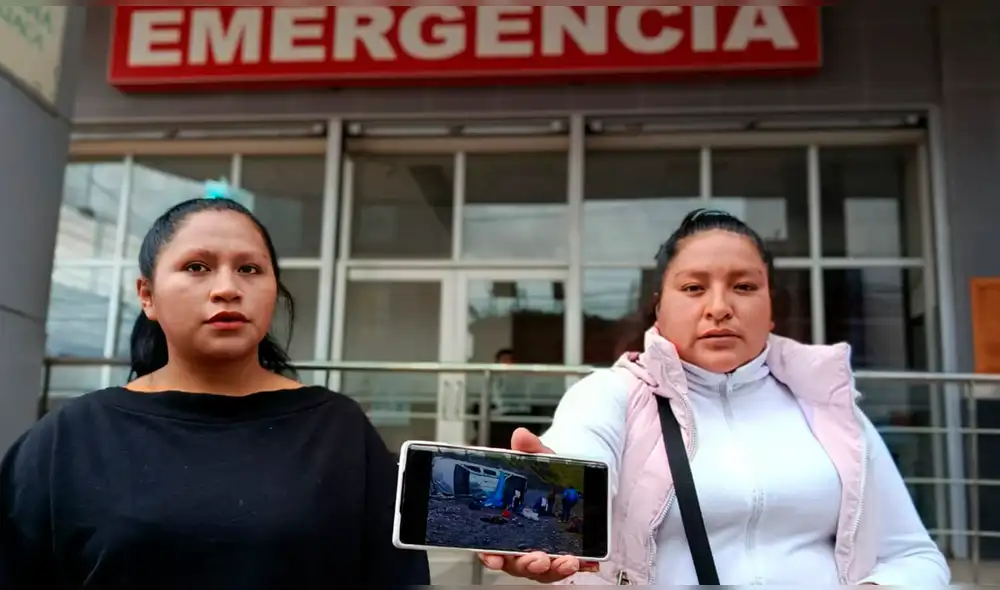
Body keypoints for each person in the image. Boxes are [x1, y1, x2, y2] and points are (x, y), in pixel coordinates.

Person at [480, 209, 950, 586]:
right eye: (693, 288)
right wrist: (548, 502)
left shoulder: (830, 409)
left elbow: (912, 555)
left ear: (770, 310)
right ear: (658, 310)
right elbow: (579, 456)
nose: (720, 306)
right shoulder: (610, 395)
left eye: (744, 287)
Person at [0, 198, 430, 589]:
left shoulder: (339, 430)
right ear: (146, 295)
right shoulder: (69, 438)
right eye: (196, 267)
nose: (227, 287)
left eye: (249, 269)